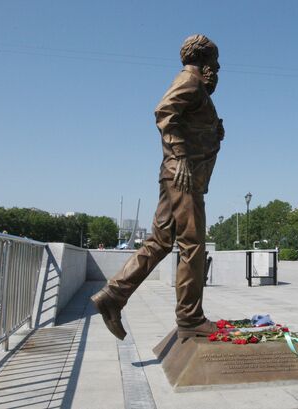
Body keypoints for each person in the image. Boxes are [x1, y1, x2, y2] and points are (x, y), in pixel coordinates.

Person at [90, 34, 224, 340]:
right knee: (192, 245)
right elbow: (164, 112)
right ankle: (190, 319)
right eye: (214, 62)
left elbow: (187, 124)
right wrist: (182, 156)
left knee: (161, 240)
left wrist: (213, 131)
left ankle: (113, 295)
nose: (217, 68)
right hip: (183, 176)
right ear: (203, 61)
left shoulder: (199, 90)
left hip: (175, 174)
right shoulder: (189, 82)